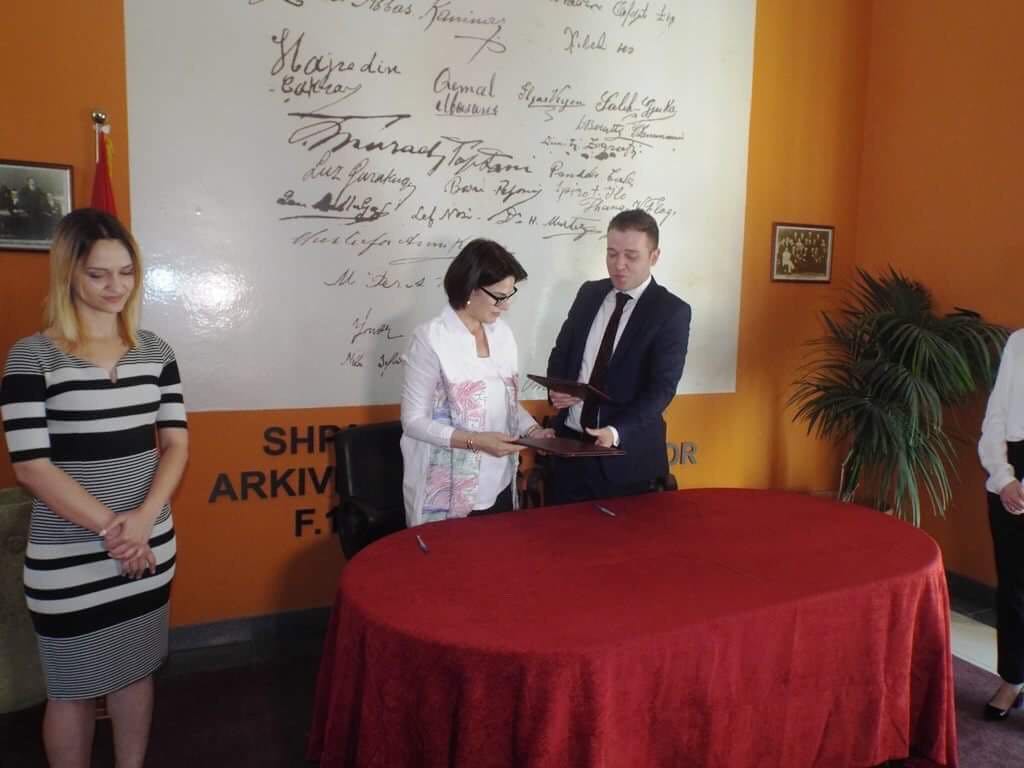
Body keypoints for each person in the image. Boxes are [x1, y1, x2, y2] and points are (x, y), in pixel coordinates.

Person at [0, 208, 188, 767]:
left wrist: (142, 522)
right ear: (69, 274)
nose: (115, 287)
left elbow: (175, 445)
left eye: (126, 272)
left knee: (136, 672)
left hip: (148, 544)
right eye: (98, 274)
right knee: (71, 687)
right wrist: (114, 530)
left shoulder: (156, 351)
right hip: (69, 554)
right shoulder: (31, 356)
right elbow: (31, 466)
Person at [401, 238, 553, 527]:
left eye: (510, 294)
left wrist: (533, 431)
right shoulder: (431, 338)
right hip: (446, 490)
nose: (506, 305)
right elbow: (413, 422)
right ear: (471, 289)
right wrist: (476, 441)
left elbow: (506, 401)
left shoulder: (502, 334)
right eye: (499, 296)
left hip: (500, 481)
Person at [545, 208, 691, 504]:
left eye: (631, 256)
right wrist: (558, 389)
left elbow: (662, 388)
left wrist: (615, 431)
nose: (619, 264)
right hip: (568, 452)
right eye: (611, 254)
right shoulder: (589, 293)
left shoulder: (671, 311)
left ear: (654, 256)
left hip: (625, 461)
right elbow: (561, 353)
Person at [979, 328, 1024, 720]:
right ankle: (1013, 680)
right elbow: (995, 416)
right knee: (1013, 589)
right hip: (1010, 475)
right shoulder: (1019, 342)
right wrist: (1003, 477)